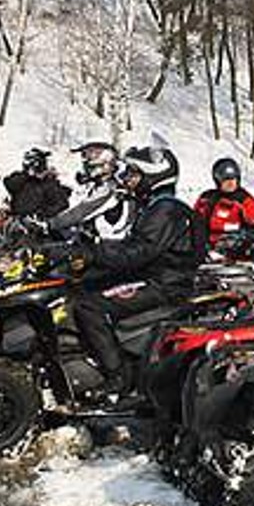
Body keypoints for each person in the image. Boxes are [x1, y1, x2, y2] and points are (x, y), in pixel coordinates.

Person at [48, 145, 205, 400]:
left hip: (163, 284)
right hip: (155, 275)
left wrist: (93, 253)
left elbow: (138, 253)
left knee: (89, 306)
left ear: (153, 176)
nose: (129, 180)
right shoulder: (157, 206)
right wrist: (82, 256)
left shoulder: (165, 209)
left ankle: (118, 376)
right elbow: (130, 248)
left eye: (135, 174)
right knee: (81, 285)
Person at [50, 140, 136, 242]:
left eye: (89, 154)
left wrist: (49, 224)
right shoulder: (96, 185)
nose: (84, 160)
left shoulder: (112, 188)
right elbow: (75, 206)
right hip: (97, 243)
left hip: (111, 247)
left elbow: (82, 211)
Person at [194, 157, 254, 248]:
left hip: (231, 246)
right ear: (218, 181)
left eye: (233, 179)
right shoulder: (207, 197)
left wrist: (243, 233)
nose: (230, 183)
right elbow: (194, 217)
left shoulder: (245, 200)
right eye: (226, 180)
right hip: (202, 244)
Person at [4, 147, 71, 221]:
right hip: (17, 220)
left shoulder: (50, 183)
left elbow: (62, 204)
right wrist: (27, 175)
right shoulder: (22, 178)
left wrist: (41, 214)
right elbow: (9, 184)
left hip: (37, 224)